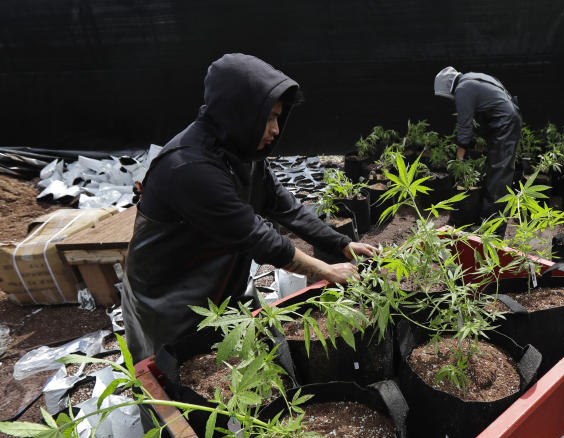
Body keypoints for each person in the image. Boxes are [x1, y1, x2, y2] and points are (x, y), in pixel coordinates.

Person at [122, 53, 376, 362]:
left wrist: (342, 244)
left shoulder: (240, 149)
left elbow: (286, 207)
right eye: (268, 118)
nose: (276, 130)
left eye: (278, 118)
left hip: (218, 283)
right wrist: (327, 271)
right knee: (180, 383)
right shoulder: (188, 167)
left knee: (238, 365)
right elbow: (258, 238)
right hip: (170, 300)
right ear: (239, 113)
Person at [433, 66, 522, 221]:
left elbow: (464, 127)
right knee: (495, 172)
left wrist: (459, 160)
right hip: (507, 120)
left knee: (498, 180)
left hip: (504, 125)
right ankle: (487, 222)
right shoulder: (471, 78)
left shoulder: (462, 89)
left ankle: (492, 231)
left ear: (448, 87)